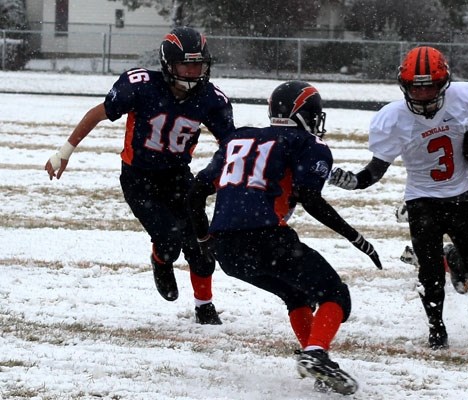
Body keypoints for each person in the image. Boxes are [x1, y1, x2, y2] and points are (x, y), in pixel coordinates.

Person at [186, 80, 382, 395]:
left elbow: (196, 192)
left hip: (227, 249)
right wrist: (356, 237)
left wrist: (205, 241)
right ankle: (316, 352)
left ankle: (316, 359)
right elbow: (310, 198)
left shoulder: (237, 138)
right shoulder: (307, 144)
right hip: (266, 238)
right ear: (306, 114)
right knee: (335, 294)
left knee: (296, 295)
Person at [44, 26, 234, 325]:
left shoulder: (211, 99)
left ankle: (204, 306)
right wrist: (64, 151)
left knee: (200, 242)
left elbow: (232, 146)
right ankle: (161, 260)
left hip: (177, 175)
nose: (194, 70)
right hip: (139, 178)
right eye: (187, 63)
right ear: (168, 65)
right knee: (169, 240)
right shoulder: (142, 85)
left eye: (199, 64)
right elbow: (98, 112)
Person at [328, 46, 468, 350]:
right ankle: (436, 328)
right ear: (404, 86)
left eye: (430, 88)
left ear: (444, 83)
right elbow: (376, 169)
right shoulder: (394, 118)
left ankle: (453, 256)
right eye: (415, 88)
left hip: (461, 197)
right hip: (421, 200)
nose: (422, 96)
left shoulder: (464, 99)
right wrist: (355, 182)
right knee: (430, 272)